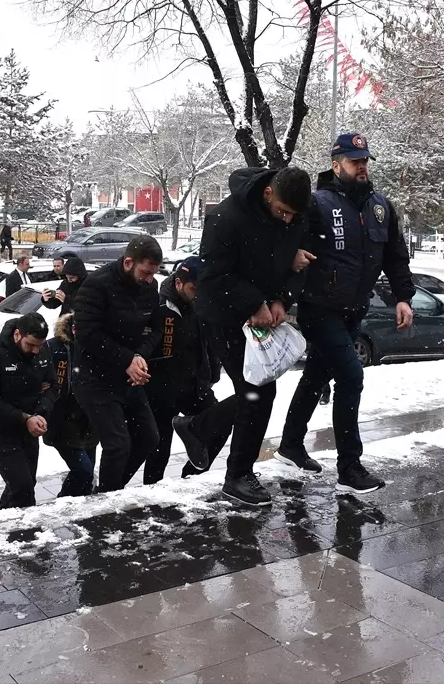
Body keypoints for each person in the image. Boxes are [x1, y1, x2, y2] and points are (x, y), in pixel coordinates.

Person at [274, 134, 415, 494]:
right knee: (351, 377)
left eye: (364, 160)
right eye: (355, 161)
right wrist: (289, 261)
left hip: (354, 308)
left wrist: (403, 297)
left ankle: (290, 445)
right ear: (336, 165)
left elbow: (395, 256)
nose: (362, 166)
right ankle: (349, 467)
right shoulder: (318, 204)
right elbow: (285, 242)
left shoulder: (380, 207)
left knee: (316, 375)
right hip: (319, 308)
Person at [176, 166, 312, 507]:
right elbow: (214, 275)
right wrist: (254, 303)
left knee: (258, 390)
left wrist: (281, 299)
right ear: (268, 193)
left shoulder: (295, 215)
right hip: (222, 314)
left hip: (262, 312)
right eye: (283, 211)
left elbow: (297, 264)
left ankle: (200, 428)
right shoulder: (226, 217)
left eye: (293, 215)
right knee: (257, 390)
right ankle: (237, 474)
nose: (287, 220)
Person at [71, 235, 163, 493]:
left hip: (129, 374)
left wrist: (139, 356)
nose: (149, 279)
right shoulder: (96, 284)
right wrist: (126, 359)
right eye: (145, 272)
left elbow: (156, 329)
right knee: (117, 445)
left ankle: (111, 490)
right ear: (128, 262)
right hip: (94, 376)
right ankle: (108, 499)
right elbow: (87, 333)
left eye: (153, 273)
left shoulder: (150, 287)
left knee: (148, 437)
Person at [144, 257, 223, 484]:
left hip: (195, 385)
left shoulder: (204, 305)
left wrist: (213, 371)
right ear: (179, 283)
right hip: (161, 389)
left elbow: (210, 342)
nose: (198, 294)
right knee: (159, 449)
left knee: (219, 425)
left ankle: (191, 477)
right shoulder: (158, 306)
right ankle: (152, 491)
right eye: (193, 288)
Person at [0, 313, 55, 510]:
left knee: (26, 482)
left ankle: (3, 515)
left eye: (40, 346)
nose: (36, 351)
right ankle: (23, 526)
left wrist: (41, 412)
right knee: (22, 486)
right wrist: (25, 417)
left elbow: (52, 386)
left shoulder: (42, 351)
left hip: (28, 424)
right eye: (30, 345)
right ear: (17, 334)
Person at [44, 314, 97, 497]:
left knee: (87, 477)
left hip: (90, 418)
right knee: (83, 470)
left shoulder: (97, 346)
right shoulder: (54, 347)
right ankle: (63, 502)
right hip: (64, 419)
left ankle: (79, 508)